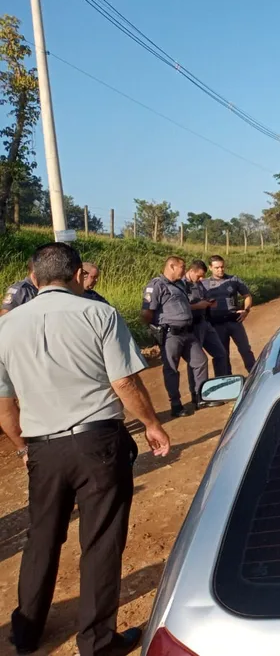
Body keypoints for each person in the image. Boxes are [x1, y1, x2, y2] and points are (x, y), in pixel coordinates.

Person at [0, 242, 170, 656]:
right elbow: (124, 382)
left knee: (41, 536)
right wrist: (151, 424)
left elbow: (5, 405)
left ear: (33, 278)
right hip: (98, 444)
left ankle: (25, 632)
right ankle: (96, 642)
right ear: (78, 275)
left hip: (43, 448)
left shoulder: (5, 327)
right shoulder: (99, 314)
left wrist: (24, 447)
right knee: (101, 539)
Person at [142, 257, 209, 418]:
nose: (184, 270)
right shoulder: (156, 285)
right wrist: (154, 331)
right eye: (182, 267)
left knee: (200, 361)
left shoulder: (179, 284)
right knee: (171, 369)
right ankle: (176, 405)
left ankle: (200, 397)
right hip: (170, 334)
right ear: (171, 267)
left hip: (188, 332)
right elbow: (146, 313)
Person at [181, 260, 229, 407]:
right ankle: (199, 394)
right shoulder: (181, 285)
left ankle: (220, 388)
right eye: (199, 276)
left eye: (203, 276)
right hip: (193, 325)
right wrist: (197, 306)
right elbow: (179, 307)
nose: (202, 279)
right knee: (197, 361)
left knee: (220, 354)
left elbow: (204, 296)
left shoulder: (198, 283)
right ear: (191, 271)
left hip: (205, 322)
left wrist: (209, 302)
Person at [203, 255, 256, 373]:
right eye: (217, 267)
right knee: (222, 355)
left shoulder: (234, 280)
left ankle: (255, 374)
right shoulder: (203, 284)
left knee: (245, 350)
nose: (220, 270)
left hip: (234, 321)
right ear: (210, 268)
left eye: (222, 267)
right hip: (216, 325)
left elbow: (247, 296)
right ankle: (226, 381)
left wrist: (246, 311)